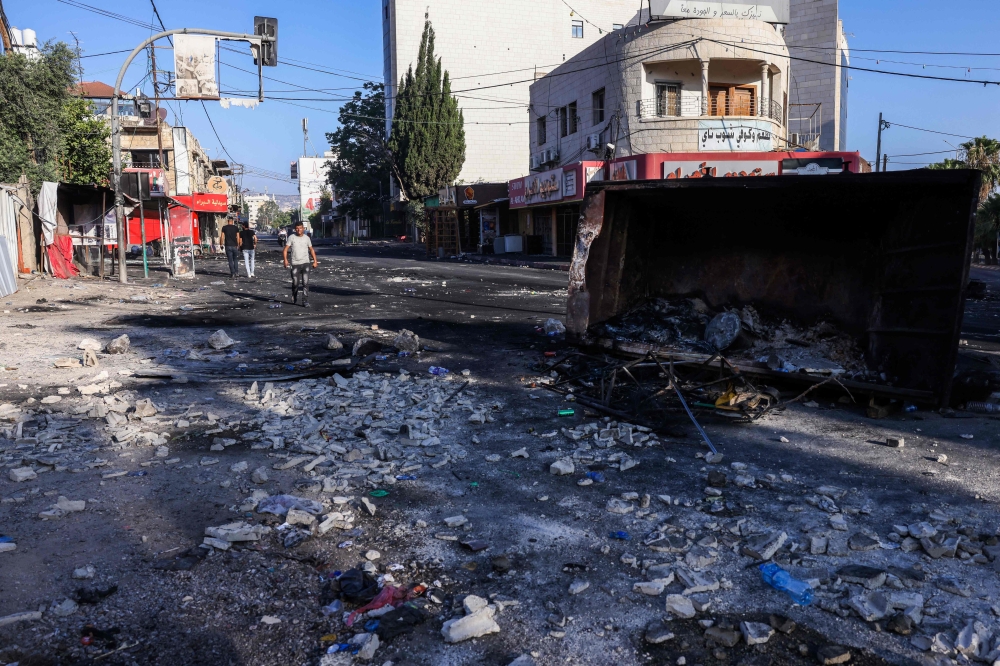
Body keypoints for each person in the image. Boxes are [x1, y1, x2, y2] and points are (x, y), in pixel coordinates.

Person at [283, 221, 318, 306]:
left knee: (305, 283)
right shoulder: (291, 237)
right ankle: (294, 295)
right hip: (295, 264)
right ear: (295, 229)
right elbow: (285, 249)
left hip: (306, 263)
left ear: (303, 228)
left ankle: (305, 301)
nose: (299, 230)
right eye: (297, 228)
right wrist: (285, 260)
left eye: (300, 228)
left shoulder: (307, 238)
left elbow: (311, 249)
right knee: (295, 283)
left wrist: (315, 261)